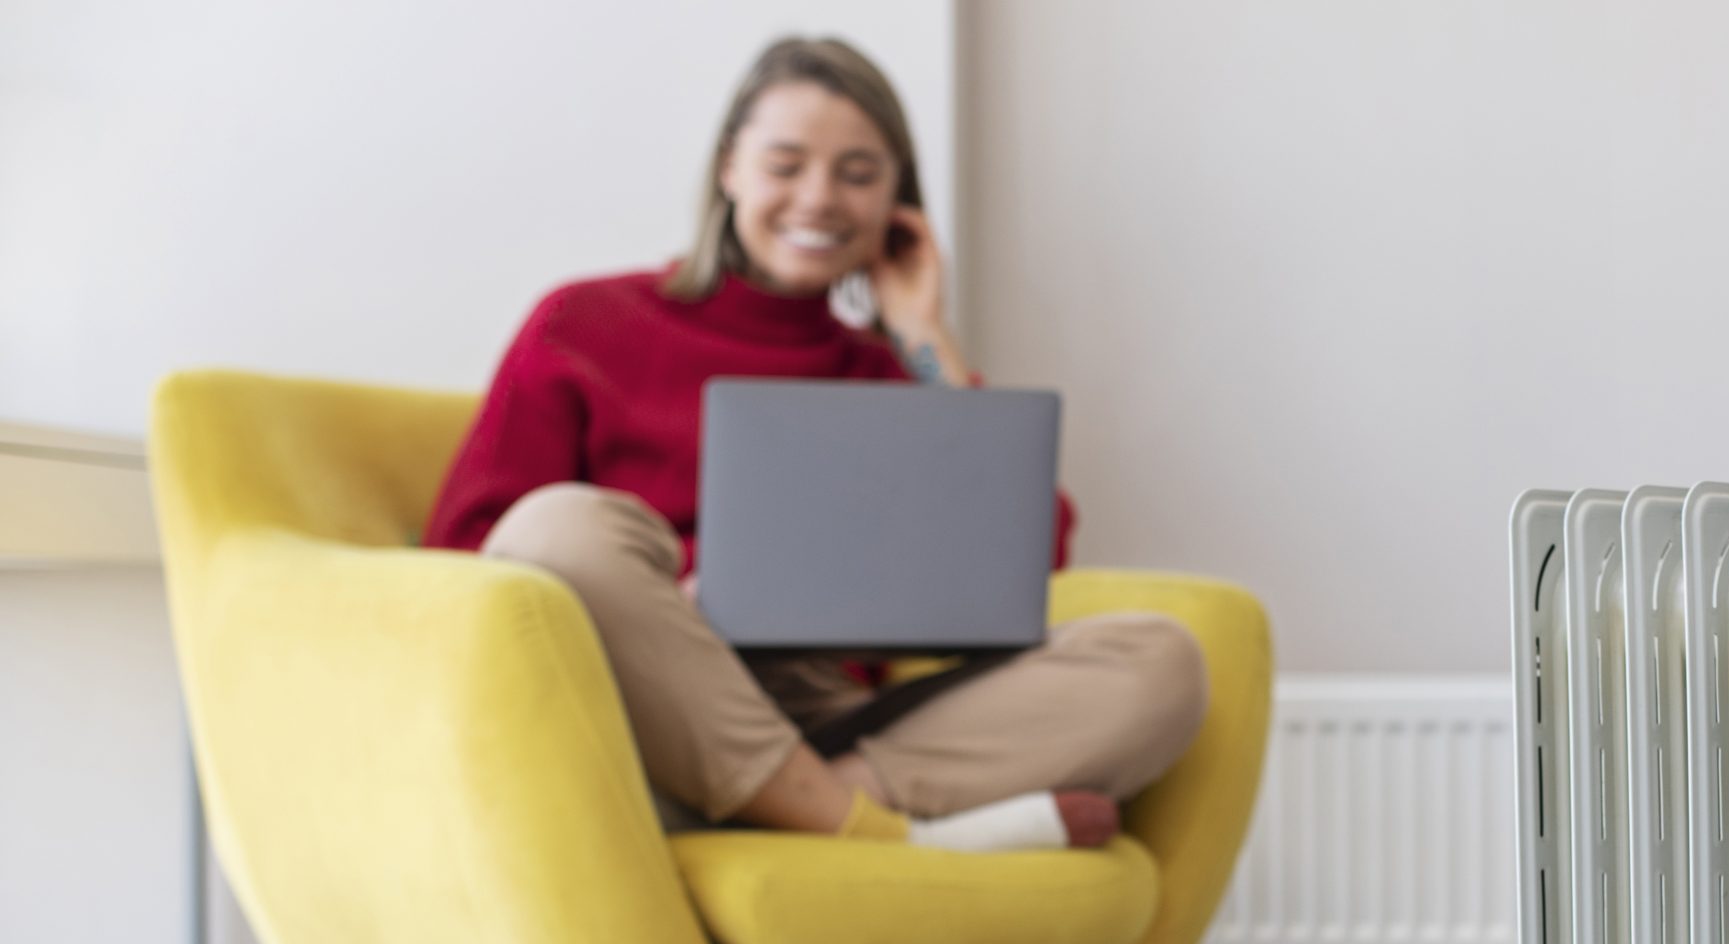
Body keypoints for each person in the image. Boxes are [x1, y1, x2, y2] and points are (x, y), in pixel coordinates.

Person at [422, 36, 1207, 852]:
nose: (820, 198)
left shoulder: (885, 370)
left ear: (897, 199)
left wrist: (924, 336)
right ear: (730, 170)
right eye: (786, 165)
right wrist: (670, 599)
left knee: (1161, 662)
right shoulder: (582, 324)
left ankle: (773, 810)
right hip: (645, 698)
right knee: (558, 526)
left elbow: (1031, 559)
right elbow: (467, 550)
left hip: (818, 710)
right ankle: (877, 833)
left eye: (859, 174)